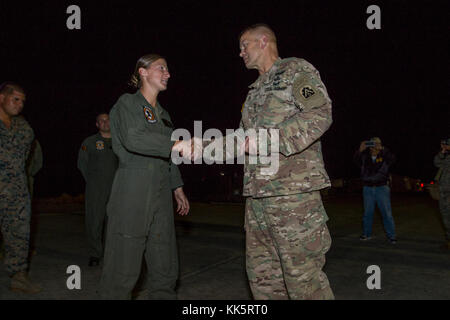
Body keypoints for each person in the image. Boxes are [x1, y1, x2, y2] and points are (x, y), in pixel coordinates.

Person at [204, 24, 334, 300]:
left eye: (244, 45)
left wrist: (268, 140)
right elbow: (242, 139)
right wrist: (201, 147)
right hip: (258, 199)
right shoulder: (253, 92)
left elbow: (320, 113)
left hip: (293, 198)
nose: (240, 53)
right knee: (264, 282)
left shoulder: (296, 71)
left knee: (304, 284)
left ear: (263, 41)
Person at [99, 54, 190, 299]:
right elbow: (133, 138)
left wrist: (177, 187)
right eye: (162, 68)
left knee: (164, 260)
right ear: (143, 72)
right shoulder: (127, 104)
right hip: (133, 188)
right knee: (124, 263)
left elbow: (167, 156)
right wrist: (176, 145)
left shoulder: (163, 113)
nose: (168, 74)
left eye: (168, 69)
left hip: (160, 190)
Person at [0, 81, 41, 293]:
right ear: (1, 98)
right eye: (15, 99)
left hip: (16, 192)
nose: (20, 104)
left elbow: (26, 156)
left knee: (19, 235)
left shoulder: (23, 127)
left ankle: (18, 277)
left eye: (22, 101)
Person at [77, 113, 118, 266]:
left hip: (117, 189)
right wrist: (94, 181)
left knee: (114, 223)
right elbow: (82, 164)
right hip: (96, 189)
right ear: (97, 124)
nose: (105, 123)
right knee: (94, 222)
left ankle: (111, 253)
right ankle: (95, 253)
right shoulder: (90, 142)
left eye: (107, 120)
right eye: (101, 120)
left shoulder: (120, 141)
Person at [354, 137, 396, 243]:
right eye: (372, 144)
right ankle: (366, 234)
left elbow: (392, 159)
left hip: (382, 187)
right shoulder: (365, 156)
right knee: (368, 213)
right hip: (368, 188)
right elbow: (355, 161)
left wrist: (383, 149)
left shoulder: (384, 156)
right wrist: (360, 150)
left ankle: (391, 236)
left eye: (376, 144)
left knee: (386, 213)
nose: (374, 146)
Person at [434, 138, 450, 249]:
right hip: (444, 191)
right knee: (445, 217)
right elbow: (436, 162)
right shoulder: (446, 156)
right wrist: (443, 152)